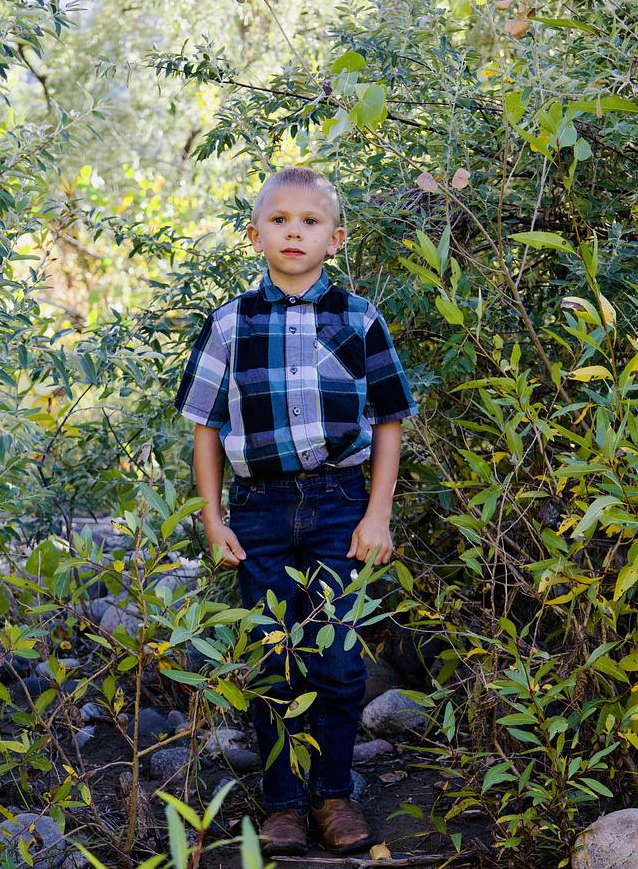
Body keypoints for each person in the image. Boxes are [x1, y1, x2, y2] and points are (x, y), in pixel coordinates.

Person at [173, 166, 419, 856]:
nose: (293, 232)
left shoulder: (359, 318)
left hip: (341, 503)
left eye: (310, 221)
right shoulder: (231, 322)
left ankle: (334, 793)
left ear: (334, 239)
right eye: (279, 219)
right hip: (259, 509)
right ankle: (282, 802)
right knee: (272, 657)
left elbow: (390, 420)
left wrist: (378, 514)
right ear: (255, 235)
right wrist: (213, 518)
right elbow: (206, 427)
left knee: (337, 657)